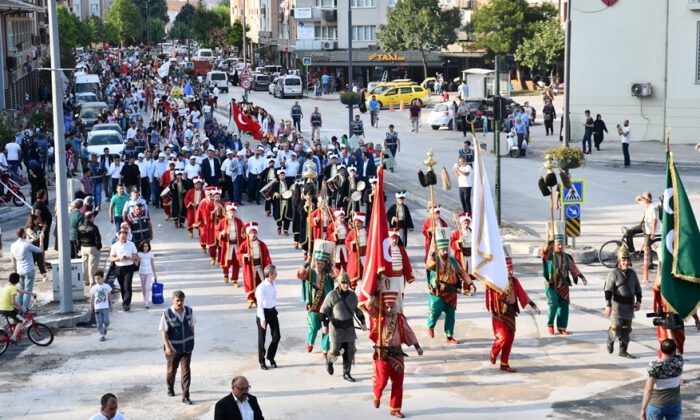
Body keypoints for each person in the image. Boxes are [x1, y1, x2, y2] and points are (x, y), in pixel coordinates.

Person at [366, 290, 423, 418]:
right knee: (382, 381)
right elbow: (369, 308)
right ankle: (377, 393)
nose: (390, 309)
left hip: (397, 353)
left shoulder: (400, 318)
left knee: (398, 382)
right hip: (383, 353)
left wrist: (417, 347)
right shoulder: (379, 316)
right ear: (383, 305)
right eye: (387, 306)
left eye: (392, 306)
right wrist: (371, 297)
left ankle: (395, 408)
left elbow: (409, 332)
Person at [486, 256, 540, 373]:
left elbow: (522, 294)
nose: (511, 271)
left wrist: (533, 305)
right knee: (503, 337)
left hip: (510, 313)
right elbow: (487, 284)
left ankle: (504, 364)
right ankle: (493, 352)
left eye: (511, 269)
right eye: (508, 269)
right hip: (499, 314)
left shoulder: (514, 281)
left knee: (510, 339)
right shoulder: (496, 282)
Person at [425, 230, 473, 344]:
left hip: (452, 292)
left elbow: (462, 272)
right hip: (439, 293)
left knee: (451, 316)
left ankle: (449, 336)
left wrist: (470, 283)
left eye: (446, 249)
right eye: (443, 249)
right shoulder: (435, 260)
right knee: (434, 312)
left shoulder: (453, 261)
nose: (445, 251)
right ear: (438, 250)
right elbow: (429, 265)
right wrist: (432, 253)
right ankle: (430, 327)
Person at [320, 271, 366, 381]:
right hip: (335, 329)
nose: (346, 285)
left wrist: (363, 322)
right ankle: (329, 361)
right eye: (343, 283)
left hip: (349, 328)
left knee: (350, 350)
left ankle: (346, 373)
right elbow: (323, 312)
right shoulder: (332, 295)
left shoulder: (353, 295)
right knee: (335, 351)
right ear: (339, 283)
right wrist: (324, 325)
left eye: (347, 283)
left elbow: (358, 310)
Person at [541, 233, 587, 335]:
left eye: (562, 244)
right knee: (553, 305)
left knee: (564, 306)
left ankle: (562, 327)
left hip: (563, 285)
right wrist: (549, 241)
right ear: (554, 244)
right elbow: (544, 251)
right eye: (559, 244)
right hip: (551, 285)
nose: (561, 246)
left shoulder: (566, 257)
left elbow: (573, 268)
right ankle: (550, 324)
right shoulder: (550, 255)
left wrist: (581, 277)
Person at [604, 247, 642, 358]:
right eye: (623, 260)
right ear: (619, 261)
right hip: (617, 306)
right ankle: (610, 339)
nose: (625, 262)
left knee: (626, 329)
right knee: (615, 327)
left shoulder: (633, 274)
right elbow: (608, 290)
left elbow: (638, 289)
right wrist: (608, 306)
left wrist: (638, 301)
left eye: (627, 260)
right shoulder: (613, 273)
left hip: (629, 306)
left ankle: (623, 351)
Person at [159, 290, 195, 405]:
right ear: (173, 300)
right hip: (173, 349)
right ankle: (170, 386)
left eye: (181, 300)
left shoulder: (189, 311)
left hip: (187, 348)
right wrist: (167, 347)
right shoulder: (167, 314)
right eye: (177, 300)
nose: (179, 303)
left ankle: (186, 395)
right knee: (171, 371)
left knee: (186, 371)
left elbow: (192, 326)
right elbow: (163, 332)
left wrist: (192, 339)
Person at [640, 339, 684, 420]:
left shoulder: (654, 366)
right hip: (674, 403)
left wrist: (643, 410)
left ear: (660, 349)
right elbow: (677, 350)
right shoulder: (679, 361)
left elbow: (648, 389)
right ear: (674, 350)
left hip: (657, 404)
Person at [237, 222, 272, 308]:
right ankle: (250, 300)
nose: (253, 235)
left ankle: (259, 299)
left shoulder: (261, 244)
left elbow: (266, 255)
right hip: (250, 266)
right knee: (250, 282)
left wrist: (269, 265)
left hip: (260, 266)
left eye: (254, 233)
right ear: (248, 234)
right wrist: (244, 256)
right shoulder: (244, 244)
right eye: (251, 233)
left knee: (262, 281)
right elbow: (239, 254)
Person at [10, 228, 43, 308]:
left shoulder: (13, 245)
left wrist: (15, 271)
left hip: (19, 270)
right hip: (29, 270)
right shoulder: (26, 245)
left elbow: (12, 259)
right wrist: (41, 239)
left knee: (21, 290)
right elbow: (40, 250)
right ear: (23, 234)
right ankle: (25, 309)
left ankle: (19, 307)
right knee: (28, 290)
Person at [255, 265, 281, 370]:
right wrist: (262, 319)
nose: (276, 274)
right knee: (262, 339)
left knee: (277, 336)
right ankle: (261, 360)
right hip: (263, 313)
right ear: (270, 274)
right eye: (275, 272)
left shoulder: (273, 283)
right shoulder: (261, 287)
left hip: (272, 311)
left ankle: (270, 356)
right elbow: (259, 305)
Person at [0, 272, 37, 342]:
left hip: (2, 308)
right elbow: (13, 302)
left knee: (17, 313)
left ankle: (14, 329)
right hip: (7, 309)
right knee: (21, 321)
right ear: (18, 281)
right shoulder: (13, 288)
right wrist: (22, 308)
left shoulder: (7, 286)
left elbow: (21, 291)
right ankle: (13, 337)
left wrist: (32, 293)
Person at [109, 229, 139, 312]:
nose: (123, 239)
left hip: (129, 266)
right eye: (122, 238)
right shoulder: (115, 245)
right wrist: (119, 258)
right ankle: (125, 300)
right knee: (122, 286)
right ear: (118, 237)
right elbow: (111, 258)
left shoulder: (131, 244)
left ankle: (126, 304)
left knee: (127, 285)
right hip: (119, 267)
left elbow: (136, 256)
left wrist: (130, 257)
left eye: (125, 238)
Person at [216, 203, 245, 286]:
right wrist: (221, 233)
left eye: (233, 212)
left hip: (236, 245)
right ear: (227, 212)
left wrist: (244, 234)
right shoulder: (222, 222)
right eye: (230, 212)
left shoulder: (239, 221)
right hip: (227, 246)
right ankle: (226, 273)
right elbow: (217, 231)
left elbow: (243, 232)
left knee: (236, 262)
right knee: (226, 262)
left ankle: (234, 280)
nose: (232, 214)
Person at [78, 211, 102, 286]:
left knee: (84, 265)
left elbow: (77, 238)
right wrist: (99, 247)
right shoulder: (94, 227)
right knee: (92, 266)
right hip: (92, 247)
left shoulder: (80, 226)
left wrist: (79, 247)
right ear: (91, 218)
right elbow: (98, 238)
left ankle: (85, 281)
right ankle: (92, 282)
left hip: (83, 247)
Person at [89, 271, 112, 342]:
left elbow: (109, 296)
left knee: (106, 321)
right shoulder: (94, 288)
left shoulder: (107, 286)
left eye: (99, 278)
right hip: (97, 307)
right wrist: (91, 306)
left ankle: (105, 327)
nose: (97, 280)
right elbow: (92, 297)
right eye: (96, 279)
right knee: (99, 322)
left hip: (105, 306)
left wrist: (111, 304)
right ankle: (102, 335)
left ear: (102, 278)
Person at [137, 241, 157, 309]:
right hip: (142, 272)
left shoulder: (150, 254)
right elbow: (137, 264)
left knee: (147, 287)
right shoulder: (139, 254)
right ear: (142, 247)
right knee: (143, 287)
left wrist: (155, 273)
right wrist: (133, 259)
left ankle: (147, 302)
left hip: (149, 272)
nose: (146, 248)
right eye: (144, 246)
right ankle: (145, 298)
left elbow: (152, 264)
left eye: (147, 246)